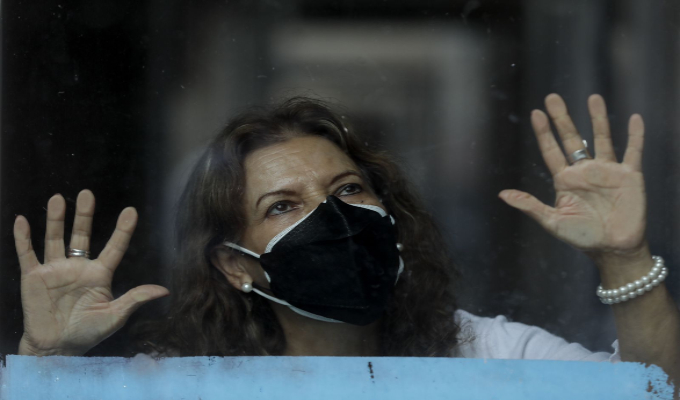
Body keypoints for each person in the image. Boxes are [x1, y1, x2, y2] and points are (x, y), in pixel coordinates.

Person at [13, 94, 680, 384]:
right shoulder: (184, 384)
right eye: (283, 206)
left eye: (349, 190)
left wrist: (623, 257)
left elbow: (653, 394)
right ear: (235, 265)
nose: (333, 218)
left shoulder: (489, 354)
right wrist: (45, 363)